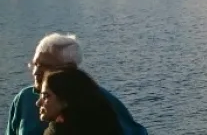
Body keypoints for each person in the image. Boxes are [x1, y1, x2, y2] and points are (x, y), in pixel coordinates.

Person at [6, 33, 147, 135]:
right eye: (35, 64)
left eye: (45, 66)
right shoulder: (23, 99)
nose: (36, 72)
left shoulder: (98, 99)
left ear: (70, 69)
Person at [36, 68, 122, 135]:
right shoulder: (107, 123)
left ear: (65, 100)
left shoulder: (58, 131)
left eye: (46, 96)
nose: (38, 103)